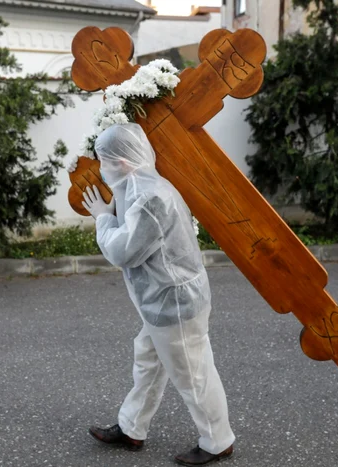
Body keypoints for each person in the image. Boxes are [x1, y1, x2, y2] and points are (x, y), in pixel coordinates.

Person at [81, 123, 235, 466]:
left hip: (174, 304)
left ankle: (217, 440)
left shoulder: (150, 196)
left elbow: (124, 251)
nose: (101, 168)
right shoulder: (142, 185)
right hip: (166, 301)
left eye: (104, 160)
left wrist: (102, 219)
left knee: (193, 375)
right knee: (149, 360)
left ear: (120, 163)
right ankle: (132, 427)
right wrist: (112, 208)